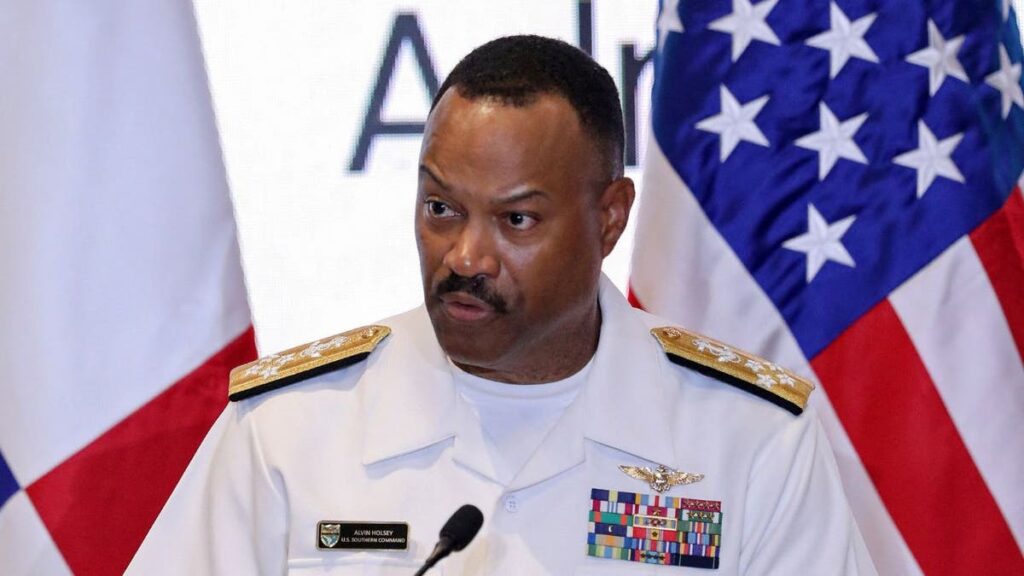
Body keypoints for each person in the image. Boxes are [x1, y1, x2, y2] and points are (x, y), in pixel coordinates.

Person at [128, 35, 875, 575]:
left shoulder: (748, 440)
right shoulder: (290, 430)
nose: (465, 258)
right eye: (441, 209)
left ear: (609, 218)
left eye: (516, 219)